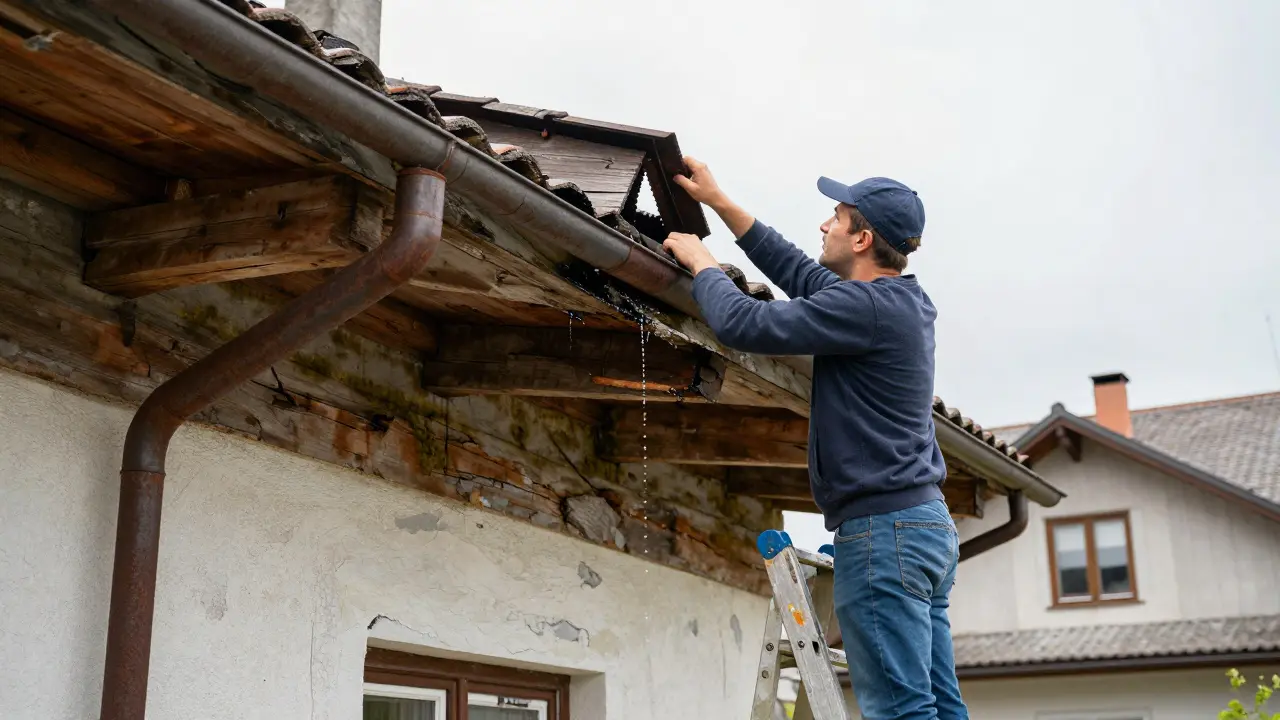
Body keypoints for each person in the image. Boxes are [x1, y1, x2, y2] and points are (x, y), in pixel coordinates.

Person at [662, 157, 967, 720]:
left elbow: (745, 326)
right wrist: (719, 200)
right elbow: (800, 272)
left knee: (900, 712)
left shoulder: (865, 308)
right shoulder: (899, 302)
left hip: (885, 532)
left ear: (863, 238)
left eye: (837, 217)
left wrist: (703, 264)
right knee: (938, 707)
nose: (824, 225)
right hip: (923, 528)